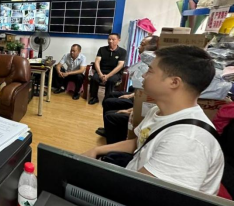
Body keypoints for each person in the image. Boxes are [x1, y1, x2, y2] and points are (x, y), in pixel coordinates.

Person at [83, 46, 225, 196]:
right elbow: (139, 142)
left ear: (174, 82)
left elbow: (147, 196)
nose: (144, 75)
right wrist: (96, 150)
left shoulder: (186, 141)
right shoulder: (159, 111)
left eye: (150, 71)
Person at [96, 36, 160, 142]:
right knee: (110, 96)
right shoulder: (103, 50)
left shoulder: (155, 67)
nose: (138, 47)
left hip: (139, 99)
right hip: (136, 94)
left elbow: (147, 93)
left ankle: (113, 138)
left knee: (109, 105)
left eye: (142, 44)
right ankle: (108, 129)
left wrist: (131, 101)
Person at [88, 33, 127, 105]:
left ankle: (107, 99)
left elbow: (120, 65)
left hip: (114, 73)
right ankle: (94, 97)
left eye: (113, 39)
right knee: (94, 78)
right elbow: (97, 62)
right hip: (102, 71)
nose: (110, 41)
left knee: (111, 80)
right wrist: (100, 74)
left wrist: (108, 76)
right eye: (109, 39)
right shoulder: (102, 49)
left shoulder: (122, 51)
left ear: (119, 40)